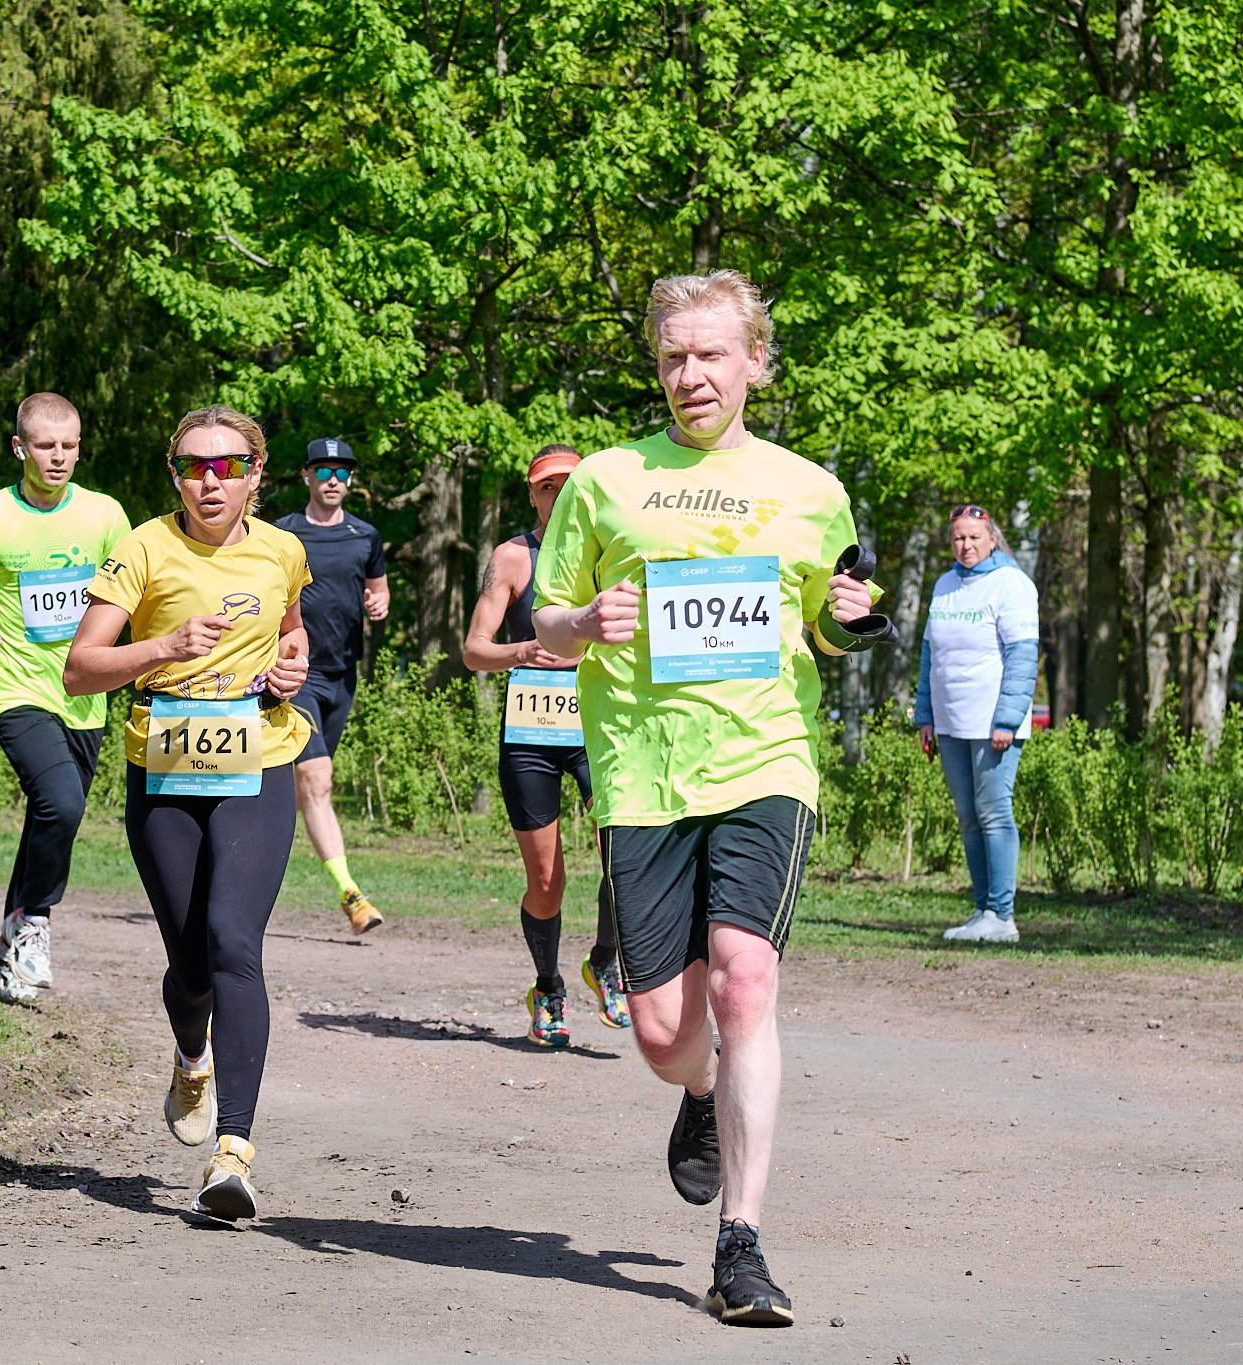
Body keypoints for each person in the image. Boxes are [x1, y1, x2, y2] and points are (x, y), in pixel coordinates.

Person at [532, 270, 894, 1326]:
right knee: (660, 1032)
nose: (688, 375)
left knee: (745, 983)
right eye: (671, 358)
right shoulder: (604, 481)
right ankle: (697, 1093)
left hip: (763, 762)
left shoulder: (809, 489)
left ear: (753, 365)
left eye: (708, 355)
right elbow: (544, 620)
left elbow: (826, 629)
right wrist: (578, 624)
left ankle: (739, 1243)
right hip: (643, 770)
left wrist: (846, 615)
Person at [64, 406, 312, 1222]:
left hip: (260, 759)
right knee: (191, 962)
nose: (213, 480)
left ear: (256, 474)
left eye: (229, 465)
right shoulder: (142, 547)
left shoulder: (284, 550)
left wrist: (290, 665)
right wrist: (161, 648)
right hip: (163, 764)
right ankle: (190, 1054)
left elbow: (291, 632)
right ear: (175, 474)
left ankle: (234, 1150)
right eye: (196, 466)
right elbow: (81, 668)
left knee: (234, 942)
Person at [0, 393, 132, 1004]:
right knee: (60, 803)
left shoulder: (104, 515)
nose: (59, 457)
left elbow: (132, 590)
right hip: (14, 683)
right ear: (20, 447)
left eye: (69, 445)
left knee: (52, 815)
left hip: (85, 690)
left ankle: (7, 938)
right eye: (46, 445)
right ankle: (35, 923)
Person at [462, 445, 627, 1049]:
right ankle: (548, 986)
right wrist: (521, 652)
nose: (557, 495)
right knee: (547, 881)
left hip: (597, 726)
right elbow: (474, 649)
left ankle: (605, 961)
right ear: (532, 495)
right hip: (531, 729)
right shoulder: (512, 557)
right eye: (546, 487)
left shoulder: (611, 554)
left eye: (569, 485)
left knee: (626, 860)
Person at [274, 438, 390, 935]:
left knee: (303, 788)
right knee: (317, 781)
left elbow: (378, 589)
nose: (333, 480)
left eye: (342, 472)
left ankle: (246, 848)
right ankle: (351, 894)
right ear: (306, 476)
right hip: (296, 673)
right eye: (323, 470)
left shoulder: (366, 536)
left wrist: (379, 605)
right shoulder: (282, 534)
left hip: (345, 677)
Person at [914, 504, 1039, 944]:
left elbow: (1023, 659)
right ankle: (982, 909)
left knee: (994, 813)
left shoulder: (1012, 585)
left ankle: (1002, 915)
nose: (965, 546)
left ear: (992, 539)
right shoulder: (945, 585)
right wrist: (925, 715)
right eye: (957, 539)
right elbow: (931, 655)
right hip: (950, 723)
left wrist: (1007, 718)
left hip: (993, 726)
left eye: (973, 538)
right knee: (969, 817)